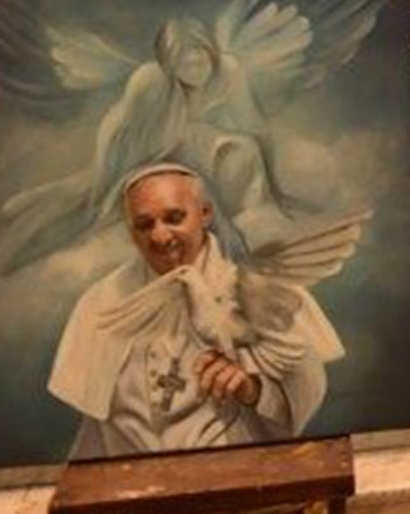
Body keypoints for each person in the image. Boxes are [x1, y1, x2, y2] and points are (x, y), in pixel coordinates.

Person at [47, 163, 346, 459]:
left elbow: (304, 389)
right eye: (144, 225)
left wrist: (251, 388)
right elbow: (95, 426)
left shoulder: (258, 287)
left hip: (228, 475)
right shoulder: (101, 301)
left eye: (174, 218)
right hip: (129, 481)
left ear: (205, 213)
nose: (160, 237)